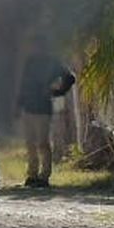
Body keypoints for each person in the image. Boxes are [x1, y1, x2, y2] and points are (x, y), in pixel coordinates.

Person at [16, 33, 76, 188]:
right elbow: (23, 85)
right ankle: (32, 175)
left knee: (42, 143)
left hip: (43, 109)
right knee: (30, 143)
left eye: (37, 45)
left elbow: (70, 78)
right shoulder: (30, 62)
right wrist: (19, 105)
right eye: (34, 45)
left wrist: (58, 92)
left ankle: (44, 176)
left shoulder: (52, 62)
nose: (35, 48)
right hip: (28, 107)